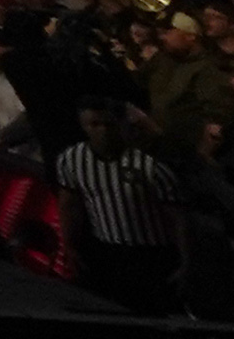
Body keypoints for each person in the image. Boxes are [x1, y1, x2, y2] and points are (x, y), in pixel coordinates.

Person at [55, 99, 188, 311]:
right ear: (83, 126)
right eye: (95, 124)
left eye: (109, 124)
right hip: (107, 249)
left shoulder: (149, 165)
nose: (103, 131)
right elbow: (70, 205)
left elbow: (177, 218)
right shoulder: (72, 160)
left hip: (151, 253)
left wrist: (186, 261)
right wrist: (69, 246)